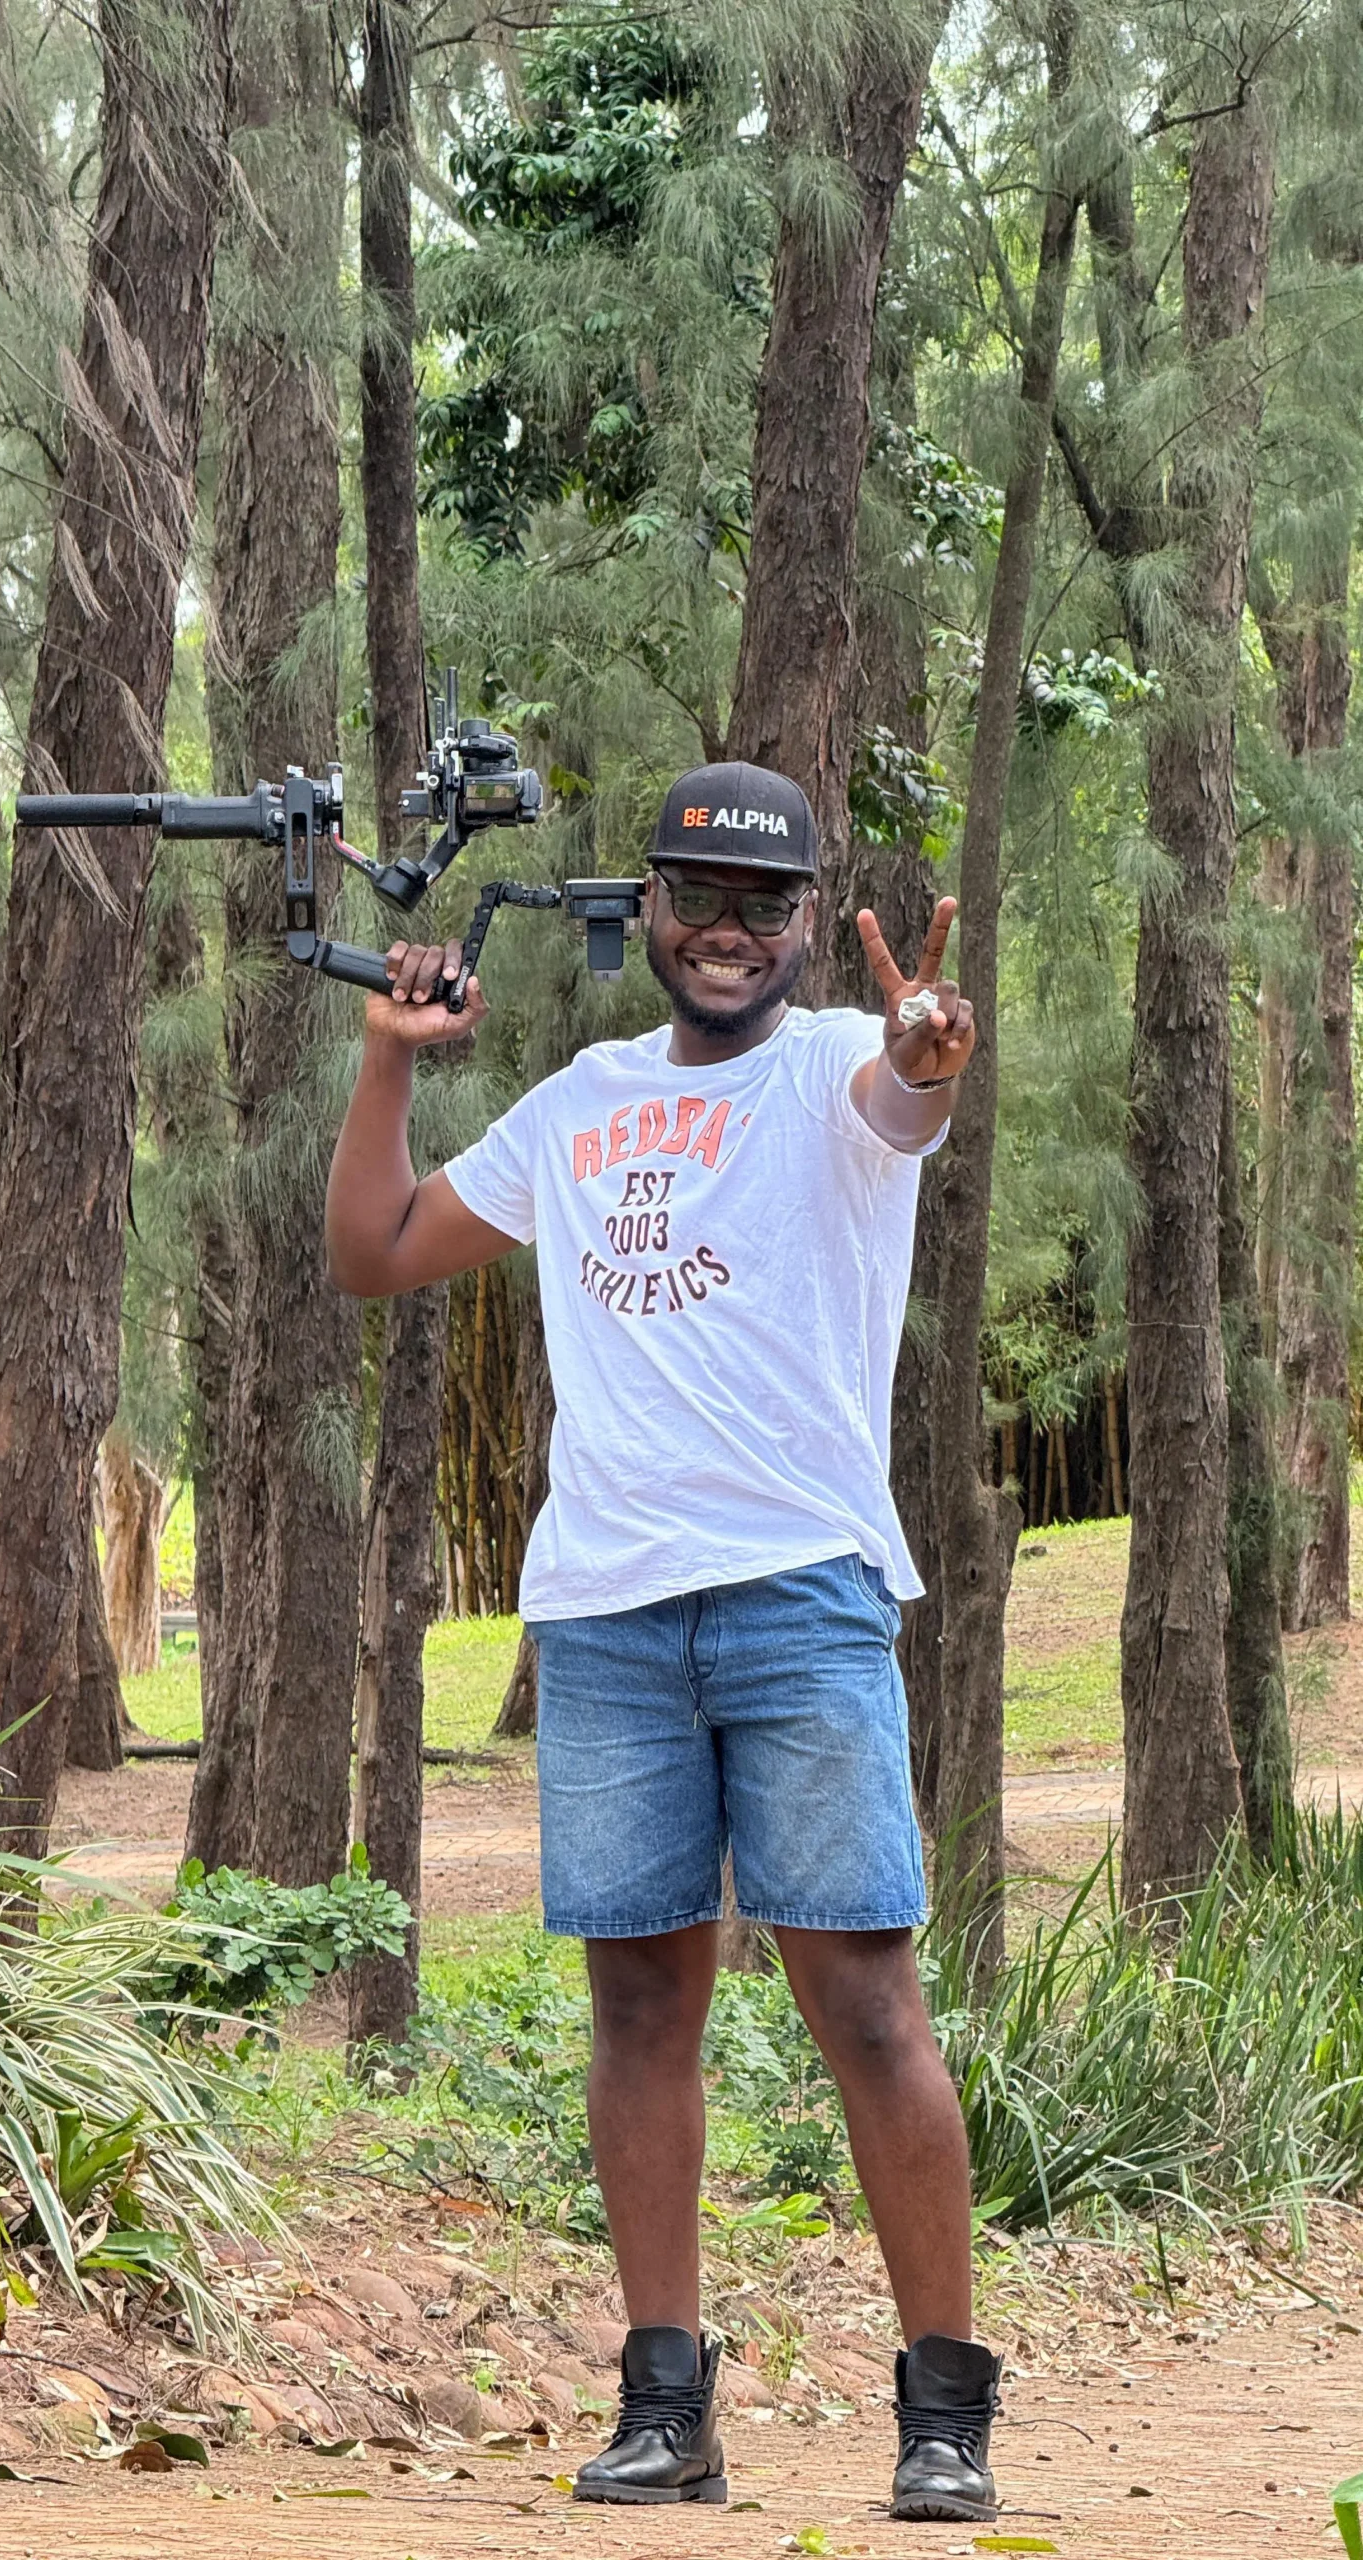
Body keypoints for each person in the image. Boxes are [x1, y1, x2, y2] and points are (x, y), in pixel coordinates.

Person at [326, 759, 1003, 2525]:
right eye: (697, 897)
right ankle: (666, 2406)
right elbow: (377, 1248)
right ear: (647, 912)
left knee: (864, 2003)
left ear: (805, 929)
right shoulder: (578, 1104)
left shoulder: (836, 1080)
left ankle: (943, 2413)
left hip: (801, 1593)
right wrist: (391, 1056)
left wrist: (927, 1041)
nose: (727, 930)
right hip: (607, 1611)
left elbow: (912, 1081)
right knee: (639, 2006)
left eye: (765, 906)